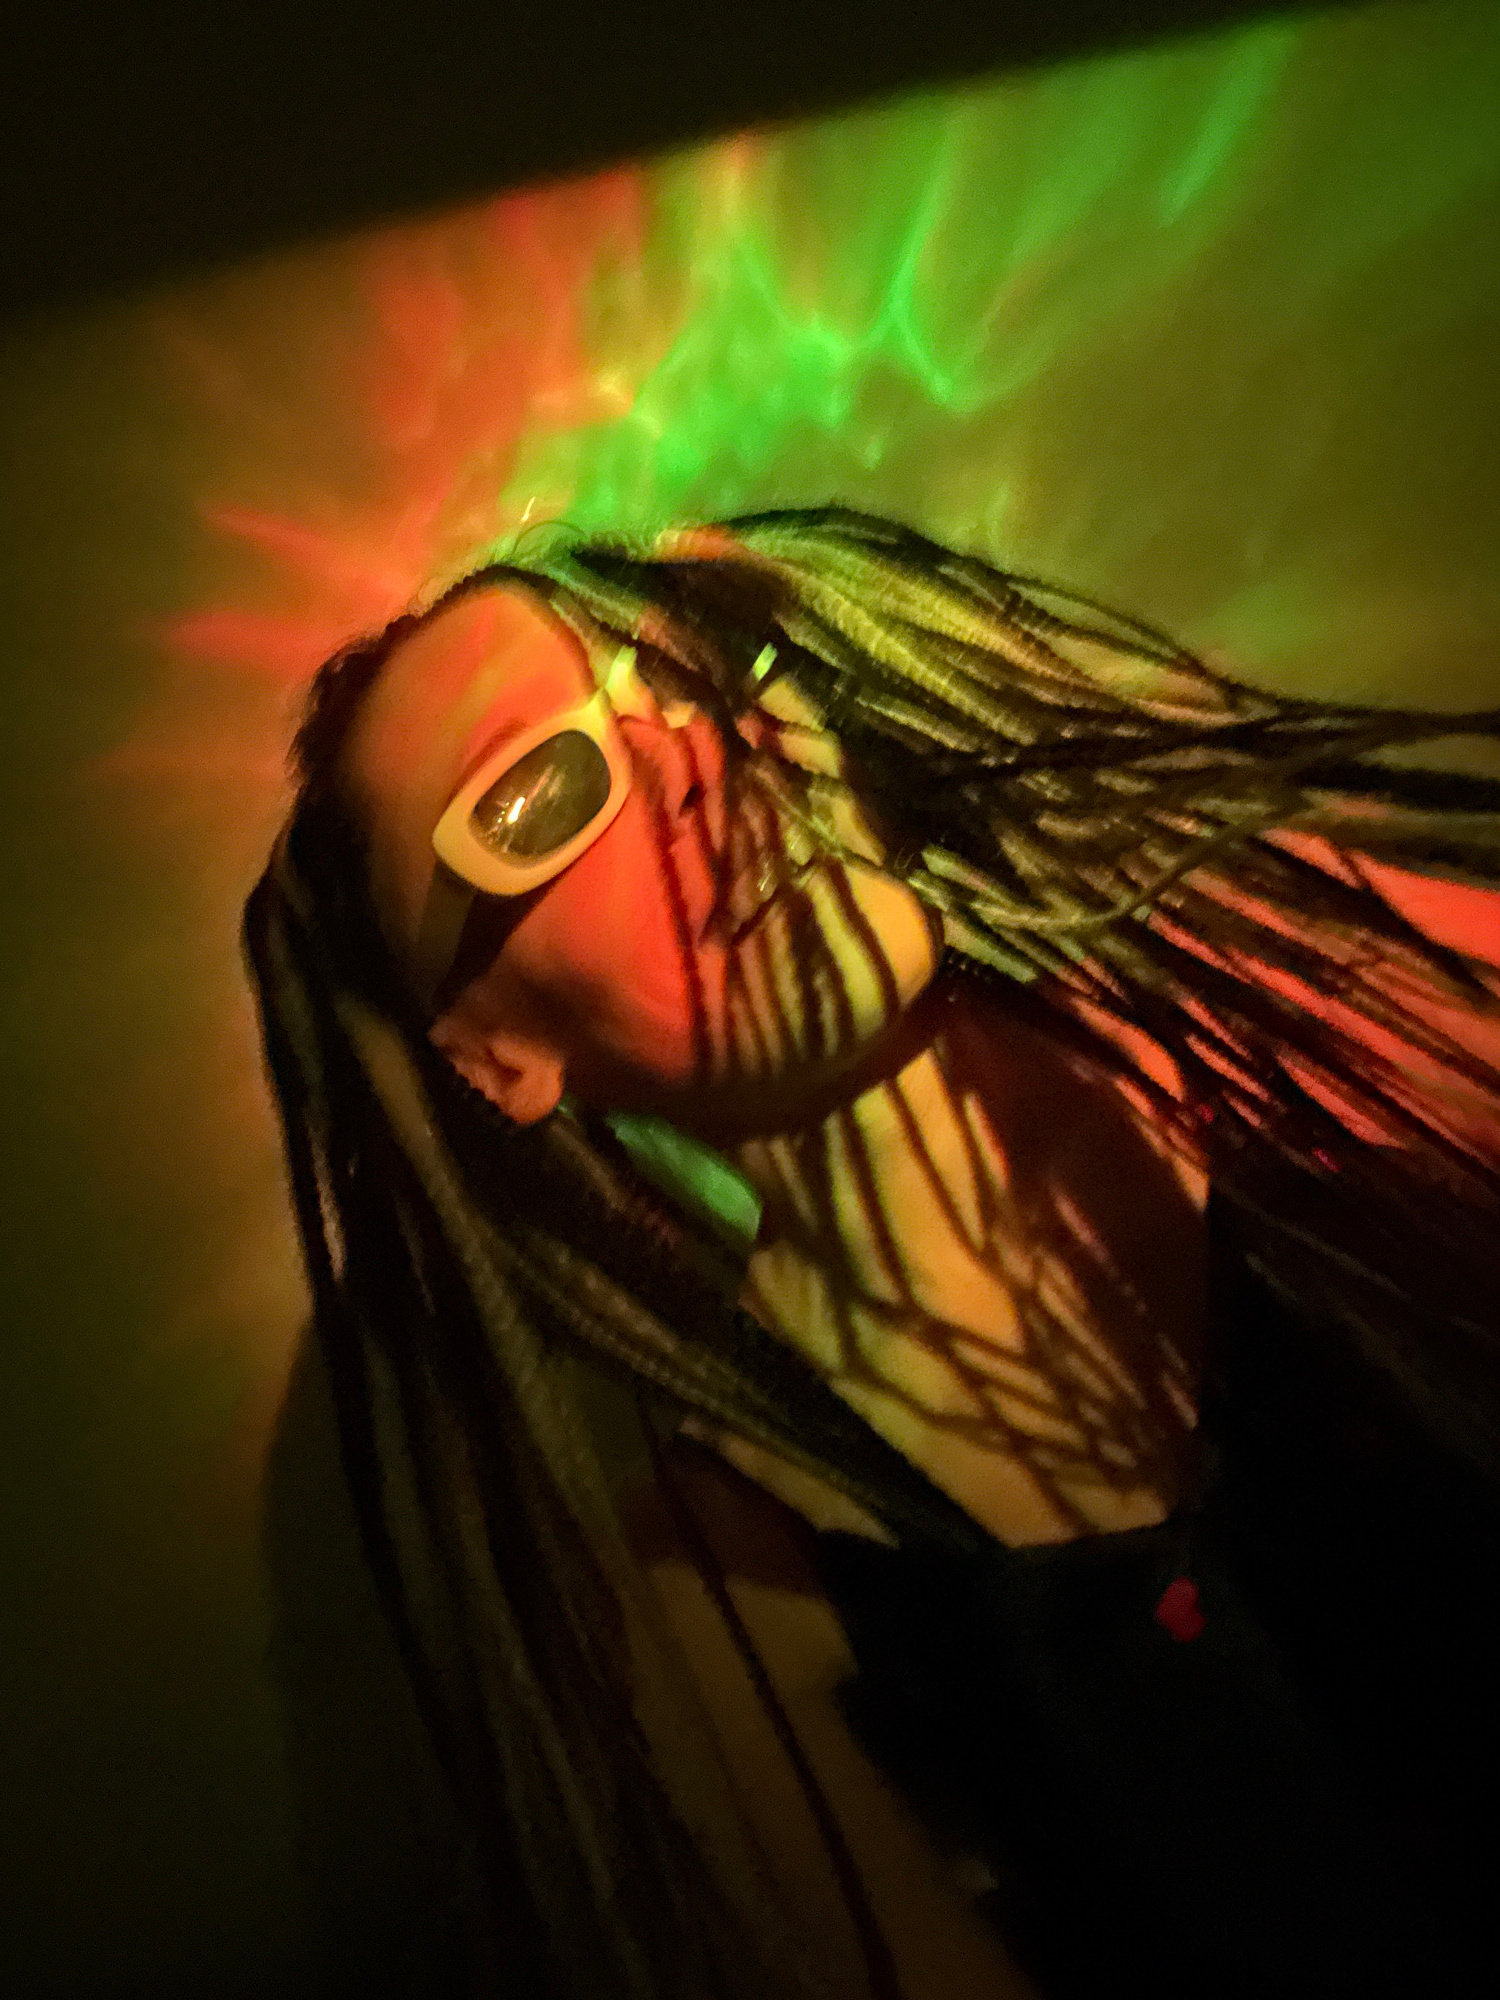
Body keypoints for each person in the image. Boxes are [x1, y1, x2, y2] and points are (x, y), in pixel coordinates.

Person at [245, 507, 1500, 2000]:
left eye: (693, 671)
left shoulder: (1316, 1033)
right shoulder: (728, 1590)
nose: (689, 757)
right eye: (533, 795)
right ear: (493, 1054)